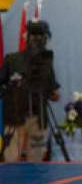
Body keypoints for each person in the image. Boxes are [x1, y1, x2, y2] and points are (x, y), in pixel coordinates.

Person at [1, 20, 61, 163]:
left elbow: (54, 94)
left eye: (40, 37)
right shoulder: (12, 59)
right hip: (15, 117)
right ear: (27, 38)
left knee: (36, 159)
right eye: (35, 36)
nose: (37, 40)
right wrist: (11, 89)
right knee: (11, 159)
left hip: (37, 118)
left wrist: (47, 92)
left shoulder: (46, 62)